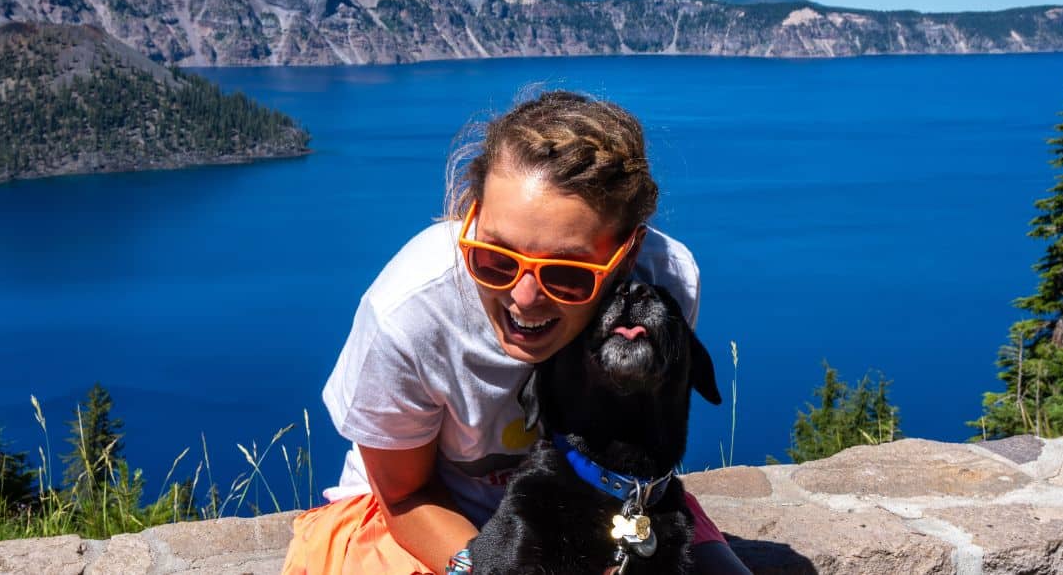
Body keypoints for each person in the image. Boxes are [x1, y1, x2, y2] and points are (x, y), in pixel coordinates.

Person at [283, 90, 751, 575]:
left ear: (628, 255)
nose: (522, 297)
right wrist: (486, 565)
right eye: (496, 258)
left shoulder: (662, 286)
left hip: (596, 502)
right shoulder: (413, 312)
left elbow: (644, 448)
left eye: (566, 271)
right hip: (419, 514)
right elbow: (403, 495)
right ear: (473, 217)